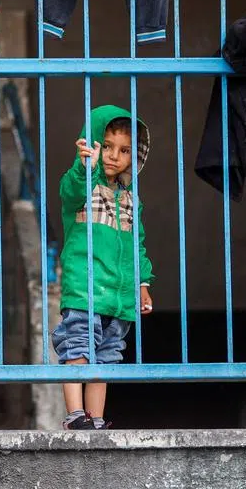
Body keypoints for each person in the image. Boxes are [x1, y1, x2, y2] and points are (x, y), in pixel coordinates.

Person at [52, 106, 154, 430]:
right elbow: (69, 189)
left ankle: (95, 419)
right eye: (106, 146)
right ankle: (74, 416)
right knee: (77, 349)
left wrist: (141, 285)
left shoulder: (131, 200)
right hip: (84, 288)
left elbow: (138, 246)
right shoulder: (83, 189)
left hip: (117, 297)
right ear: (94, 143)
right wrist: (86, 166)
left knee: (105, 358)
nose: (113, 156)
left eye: (124, 150)